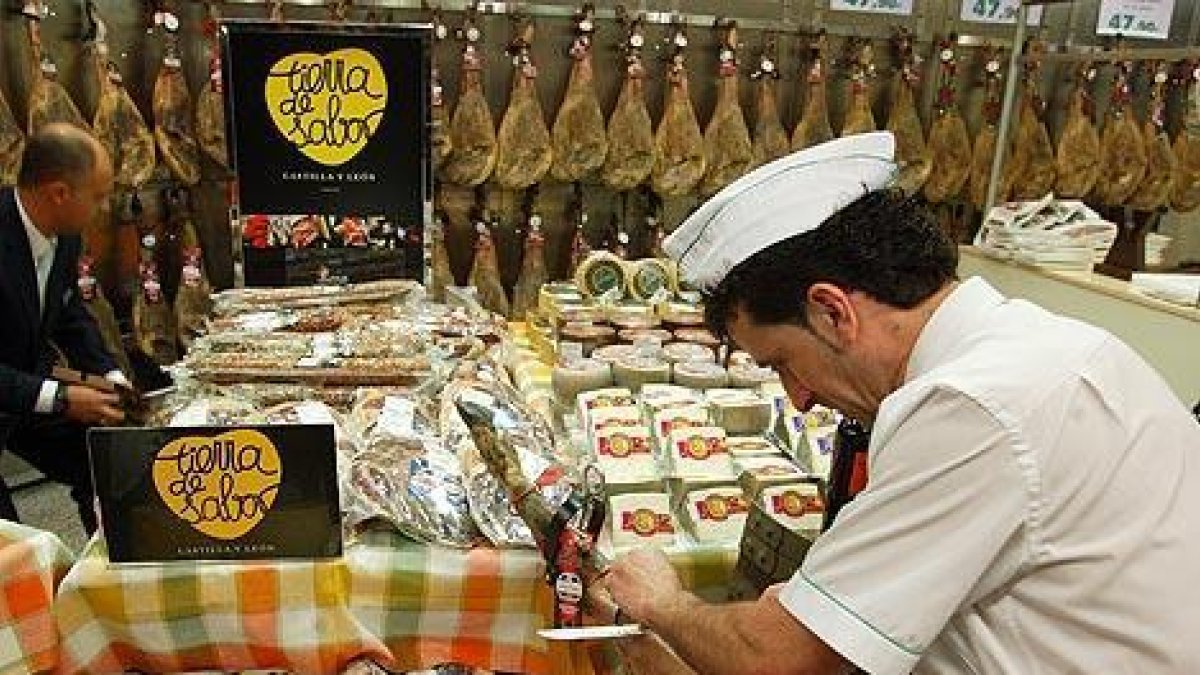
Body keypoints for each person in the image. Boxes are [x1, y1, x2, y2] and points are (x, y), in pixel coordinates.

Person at [591, 132, 1200, 674]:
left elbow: (776, 659)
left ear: (832, 312)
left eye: (781, 363)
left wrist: (662, 603)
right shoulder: (1044, 345)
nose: (798, 400)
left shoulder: (971, 407)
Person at [0, 124, 128, 534]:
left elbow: (70, 315)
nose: (103, 209)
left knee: (105, 463)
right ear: (59, 193)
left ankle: (111, 561)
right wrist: (59, 398)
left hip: (26, 387)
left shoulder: (64, 236)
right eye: (98, 197)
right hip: (15, 387)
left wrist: (109, 374)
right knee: (12, 543)